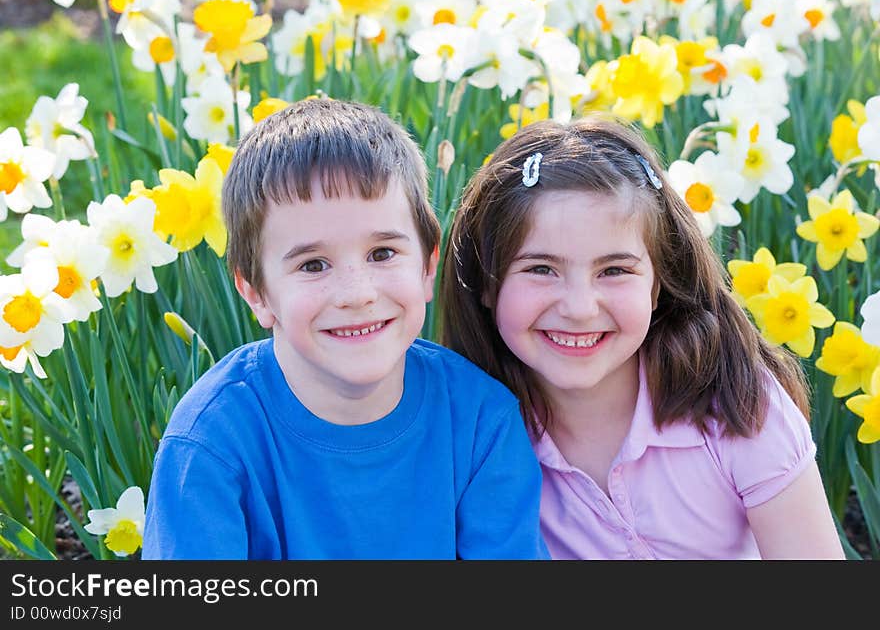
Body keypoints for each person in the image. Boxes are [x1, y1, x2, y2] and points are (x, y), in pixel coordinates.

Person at [142, 98, 547, 559]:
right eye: (313, 264)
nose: (357, 294)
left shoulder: (479, 420)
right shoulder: (213, 442)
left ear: (428, 264)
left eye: (382, 254)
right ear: (255, 291)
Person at [440, 115, 844, 559]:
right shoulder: (476, 439)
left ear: (657, 285)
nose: (579, 307)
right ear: (486, 282)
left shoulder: (737, 404)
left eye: (614, 270)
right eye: (541, 269)